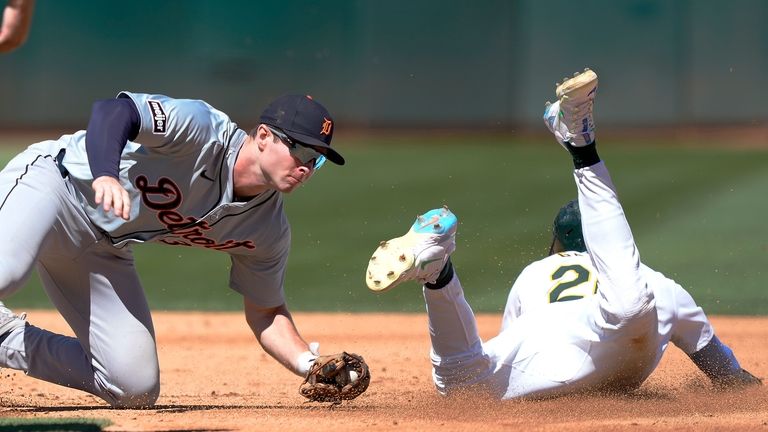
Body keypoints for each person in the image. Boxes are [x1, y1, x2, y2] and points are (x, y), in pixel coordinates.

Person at [365, 68, 761, 399]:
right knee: (629, 305)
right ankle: (582, 146)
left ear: (556, 246)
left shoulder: (534, 273)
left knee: (464, 383)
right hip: (612, 327)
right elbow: (723, 371)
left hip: (545, 360)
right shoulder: (660, 285)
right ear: (606, 248)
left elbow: (512, 343)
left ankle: (439, 275)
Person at [0, 91, 345, 407]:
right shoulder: (203, 128)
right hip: (55, 185)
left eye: (317, 160)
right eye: (300, 150)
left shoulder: (267, 229)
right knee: (6, 275)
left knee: (133, 387)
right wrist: (105, 174)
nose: (306, 167)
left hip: (102, 247)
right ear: (265, 137)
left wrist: (310, 364)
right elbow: (115, 110)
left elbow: (266, 312)